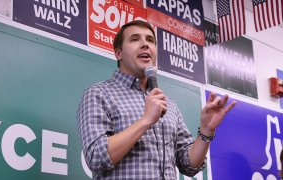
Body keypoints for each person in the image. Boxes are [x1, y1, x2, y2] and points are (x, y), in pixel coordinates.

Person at [77, 20, 236, 179]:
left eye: (150, 40)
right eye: (135, 39)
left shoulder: (168, 104)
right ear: (118, 53)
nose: (145, 44)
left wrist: (206, 130)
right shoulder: (98, 94)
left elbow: (189, 165)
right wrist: (145, 120)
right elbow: (96, 157)